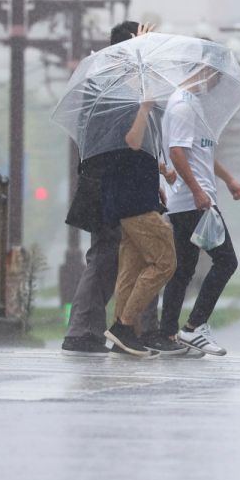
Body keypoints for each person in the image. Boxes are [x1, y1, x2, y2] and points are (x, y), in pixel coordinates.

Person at [61, 20, 174, 356]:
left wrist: (157, 174)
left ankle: (129, 329)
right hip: (113, 185)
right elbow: (127, 139)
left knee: (127, 258)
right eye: (143, 47)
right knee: (114, 257)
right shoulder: (109, 84)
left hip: (127, 183)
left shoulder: (123, 84)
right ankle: (99, 329)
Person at [158, 58, 240, 356]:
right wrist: (197, 190)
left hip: (190, 200)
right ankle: (195, 327)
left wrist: (229, 179)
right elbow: (176, 153)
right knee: (226, 261)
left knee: (183, 269)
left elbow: (201, 153)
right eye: (214, 77)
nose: (214, 85)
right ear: (203, 70)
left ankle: (167, 334)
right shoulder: (182, 104)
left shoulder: (192, 105)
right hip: (194, 201)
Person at [102, 77, 179, 358]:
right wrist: (145, 108)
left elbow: (137, 154)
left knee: (131, 270)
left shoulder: (129, 104)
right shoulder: (127, 106)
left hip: (135, 197)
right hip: (134, 203)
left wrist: (159, 173)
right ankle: (124, 325)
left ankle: (122, 335)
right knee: (165, 262)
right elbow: (132, 142)